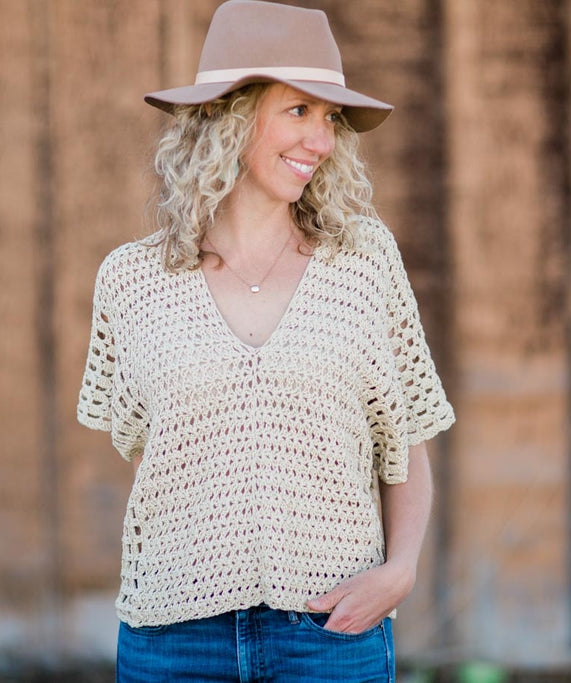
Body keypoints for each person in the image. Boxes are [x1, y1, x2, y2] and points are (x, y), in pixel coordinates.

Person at [77, 1, 455, 680]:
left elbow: (406, 438)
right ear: (229, 114)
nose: (321, 140)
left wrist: (400, 570)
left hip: (330, 632)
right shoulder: (131, 280)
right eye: (299, 110)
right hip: (174, 639)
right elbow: (151, 455)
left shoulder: (363, 262)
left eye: (330, 118)